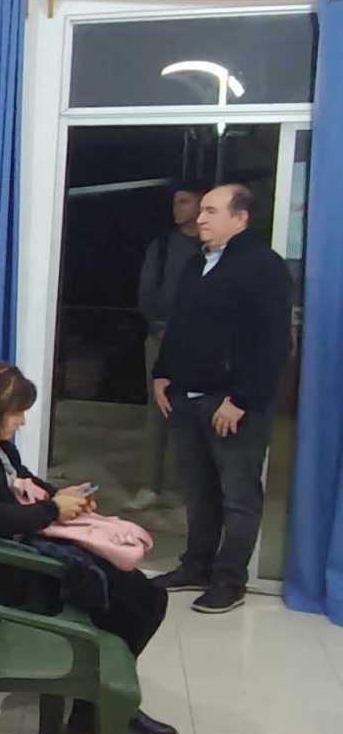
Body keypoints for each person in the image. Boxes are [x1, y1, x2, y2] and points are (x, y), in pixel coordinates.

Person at [0, 361, 175, 734]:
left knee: (142, 594)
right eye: (16, 413)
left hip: (16, 553)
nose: (22, 422)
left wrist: (62, 496)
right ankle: (95, 713)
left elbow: (20, 480)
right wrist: (53, 510)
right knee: (131, 600)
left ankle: (109, 704)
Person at [151, 183, 293, 614]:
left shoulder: (263, 267)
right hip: (187, 396)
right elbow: (179, 324)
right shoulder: (198, 263)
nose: (201, 218)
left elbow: (273, 344)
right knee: (199, 492)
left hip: (231, 403)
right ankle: (195, 566)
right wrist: (162, 372)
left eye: (211, 211)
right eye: (202, 211)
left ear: (240, 218)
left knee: (238, 496)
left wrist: (241, 399)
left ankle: (230, 581)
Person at [129, 184, 206, 511]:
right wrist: (158, 325)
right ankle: (150, 485)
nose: (177, 208)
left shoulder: (212, 248)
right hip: (162, 338)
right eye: (175, 202)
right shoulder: (161, 246)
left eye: (184, 202)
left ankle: (196, 489)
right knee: (157, 410)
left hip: (203, 342)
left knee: (200, 410)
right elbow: (146, 292)